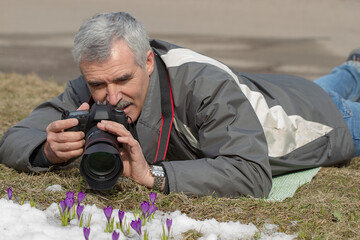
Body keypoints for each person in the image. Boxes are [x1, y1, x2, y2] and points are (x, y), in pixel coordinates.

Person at [0, 12, 358, 198]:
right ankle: (353, 69)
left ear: (149, 61)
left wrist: (153, 176)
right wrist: (46, 149)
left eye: (123, 80)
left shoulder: (201, 84)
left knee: (326, 99)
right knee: (326, 84)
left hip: (314, 120)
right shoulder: (97, 81)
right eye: (97, 84)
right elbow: (14, 137)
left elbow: (251, 173)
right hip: (270, 88)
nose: (111, 97)